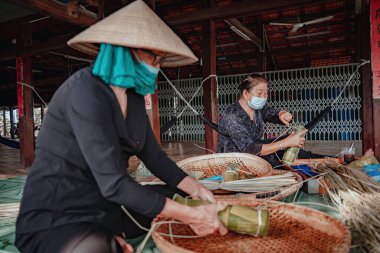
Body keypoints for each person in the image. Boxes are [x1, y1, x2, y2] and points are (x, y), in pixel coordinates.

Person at [15, 1, 227, 253]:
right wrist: (190, 216)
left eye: (160, 59)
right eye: (152, 57)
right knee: (95, 247)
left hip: (106, 205)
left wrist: (196, 188)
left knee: (178, 196)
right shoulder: (85, 91)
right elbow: (113, 183)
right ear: (125, 51)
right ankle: (107, 239)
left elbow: (154, 156)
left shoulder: (134, 97)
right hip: (59, 213)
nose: (157, 66)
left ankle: (113, 232)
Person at [217, 74, 326, 167]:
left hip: (254, 150)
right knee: (282, 147)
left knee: (288, 142)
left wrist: (281, 114)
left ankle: (324, 159)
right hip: (235, 160)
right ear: (246, 94)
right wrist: (284, 143)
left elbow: (270, 112)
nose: (263, 97)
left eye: (266, 93)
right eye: (259, 93)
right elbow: (250, 149)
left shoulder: (257, 109)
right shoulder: (232, 116)